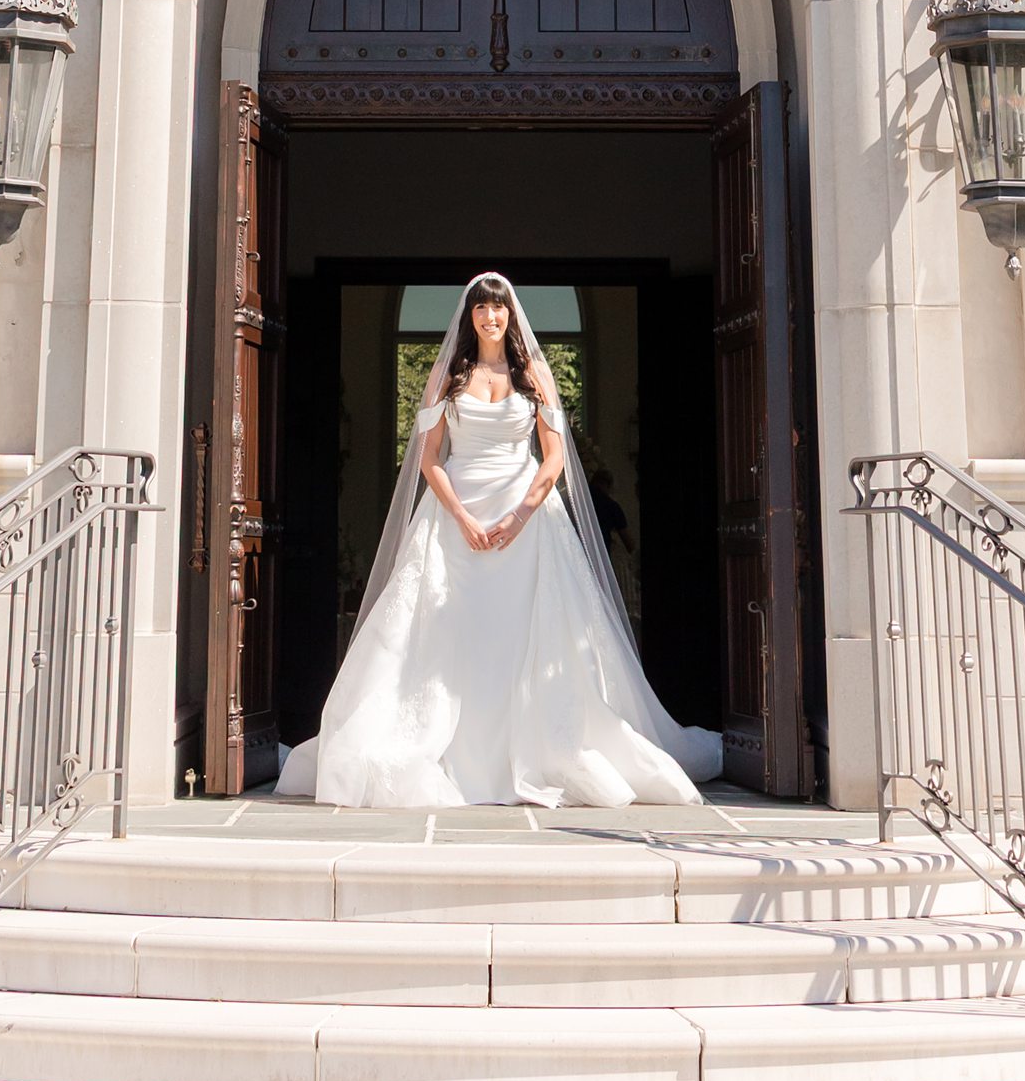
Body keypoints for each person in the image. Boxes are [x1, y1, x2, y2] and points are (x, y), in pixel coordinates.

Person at [274, 273, 722, 808]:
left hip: (527, 518)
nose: (491, 317)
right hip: (458, 516)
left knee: (531, 630)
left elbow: (553, 457)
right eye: (482, 309)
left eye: (499, 309)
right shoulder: (446, 375)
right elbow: (429, 458)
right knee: (449, 634)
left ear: (511, 315)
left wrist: (521, 516)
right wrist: (461, 517)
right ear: (469, 317)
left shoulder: (534, 372)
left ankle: (538, 746)